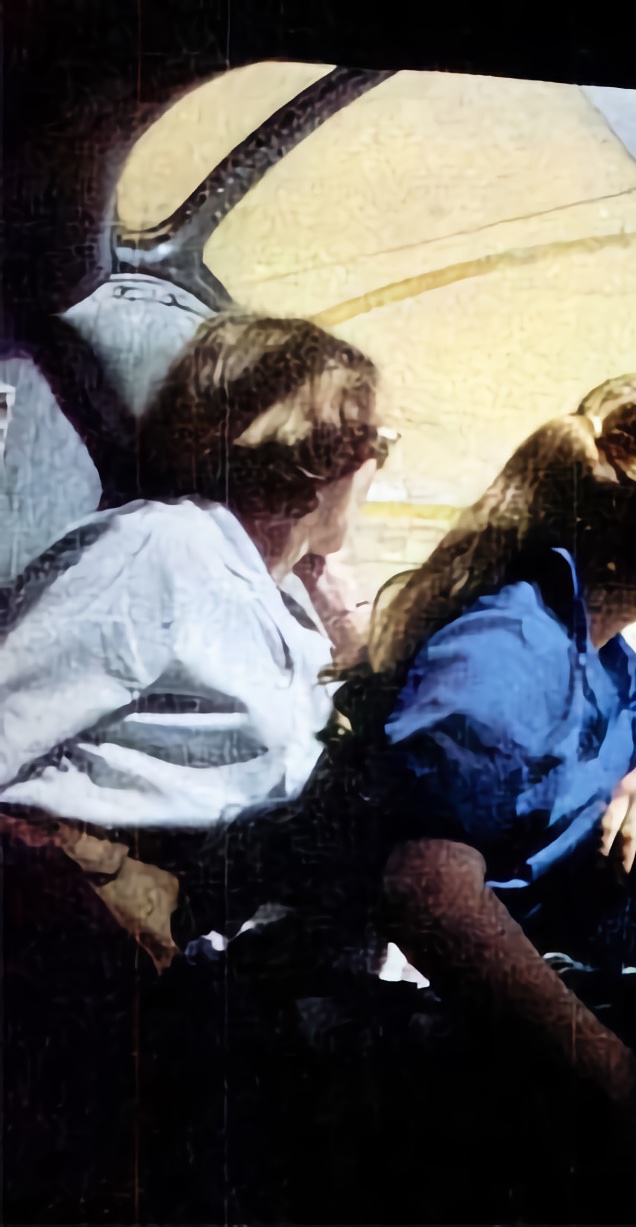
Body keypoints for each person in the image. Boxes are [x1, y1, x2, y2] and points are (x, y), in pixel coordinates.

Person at [352, 374, 636, 1219]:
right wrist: (619, 1090)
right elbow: (422, 886)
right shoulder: (513, 651)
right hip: (439, 1024)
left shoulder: (598, 646)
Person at [0, 313, 386, 1221]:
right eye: (374, 439)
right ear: (316, 453)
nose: (381, 464)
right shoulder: (158, 553)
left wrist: (339, 612)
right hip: (86, 961)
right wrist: (93, 866)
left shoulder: (274, 590)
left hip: (207, 970)